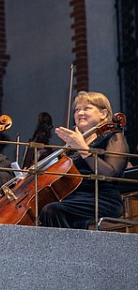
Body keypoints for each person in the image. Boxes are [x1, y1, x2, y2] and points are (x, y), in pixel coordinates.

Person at [38, 91, 128, 229]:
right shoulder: (71, 147)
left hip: (102, 199)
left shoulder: (114, 137)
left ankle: (68, 250)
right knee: (41, 208)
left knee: (53, 210)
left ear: (103, 114)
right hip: (73, 198)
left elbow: (111, 174)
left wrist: (83, 148)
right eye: (77, 110)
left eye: (87, 108)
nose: (80, 113)